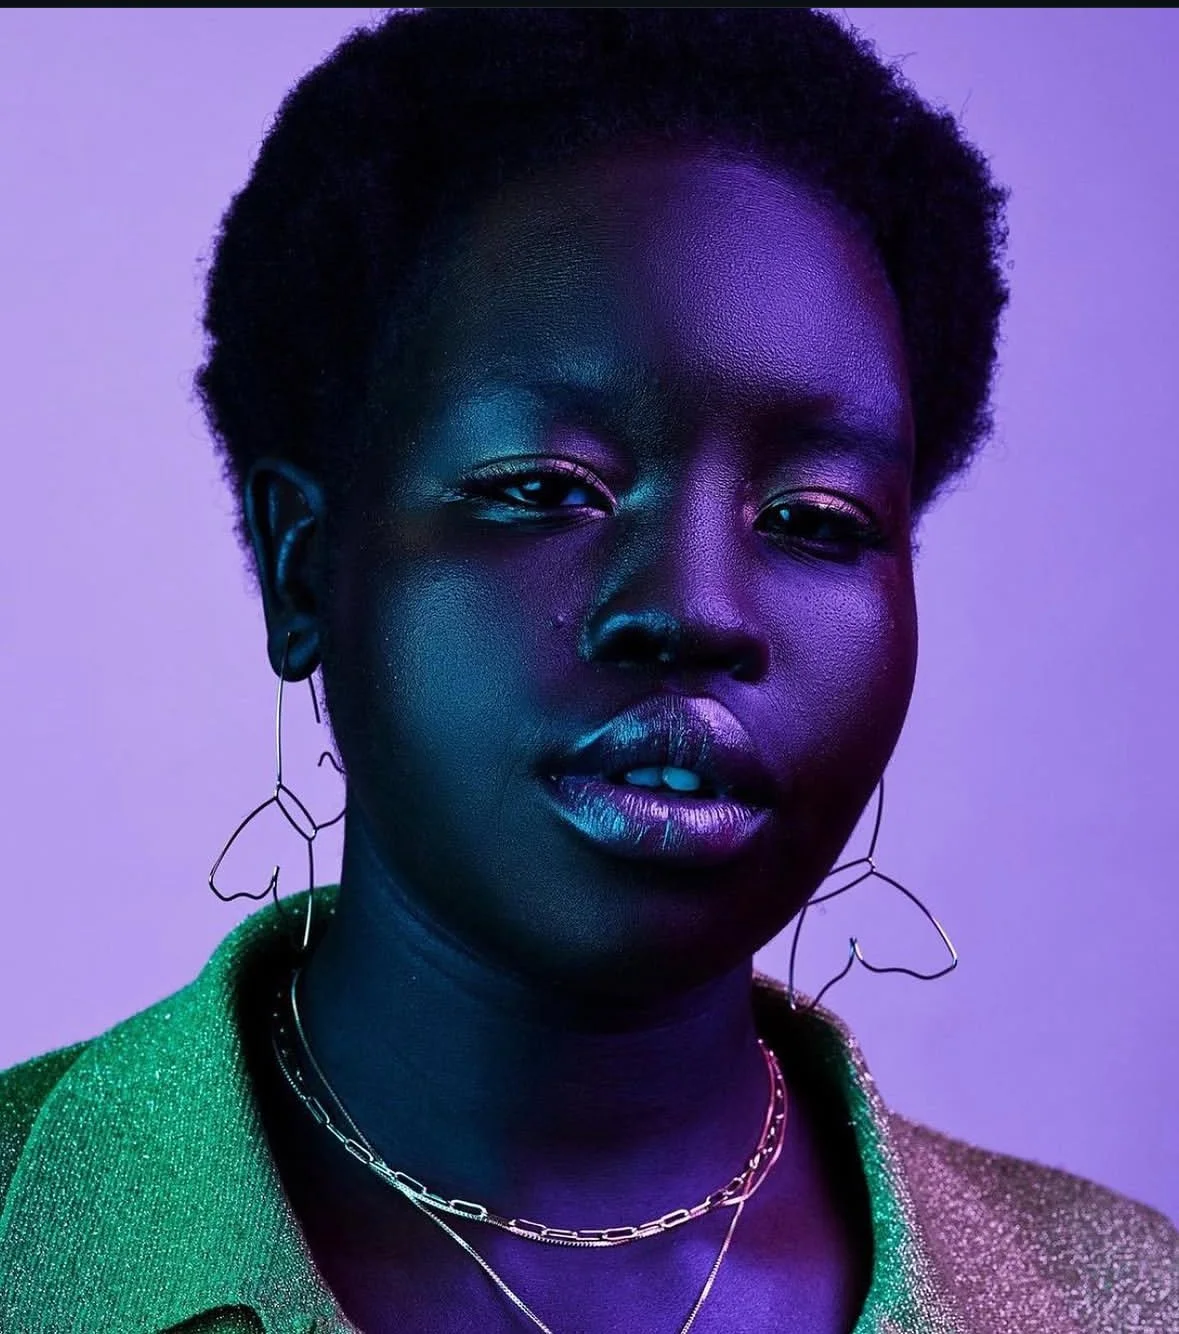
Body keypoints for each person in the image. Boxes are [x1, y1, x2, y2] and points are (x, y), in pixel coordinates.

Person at [1, 9, 1175, 1333]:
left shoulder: (1122, 1297)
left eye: (813, 520)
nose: (692, 610)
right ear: (302, 564)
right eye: (547, 488)